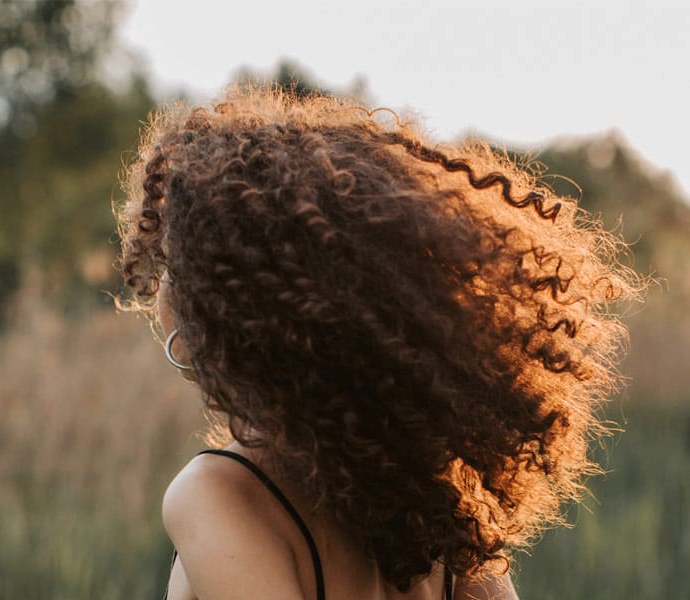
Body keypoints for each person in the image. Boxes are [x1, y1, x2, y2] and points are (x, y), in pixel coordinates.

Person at [115, 84, 645, 599]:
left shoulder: (217, 495)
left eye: (175, 265)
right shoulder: (439, 499)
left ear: (224, 309)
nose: (164, 283)